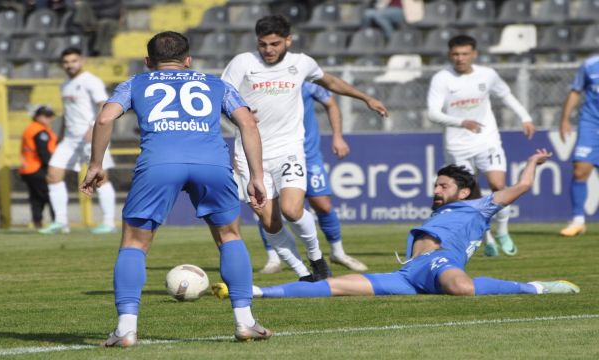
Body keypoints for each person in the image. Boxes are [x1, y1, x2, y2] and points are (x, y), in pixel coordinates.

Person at [79, 31, 271, 347]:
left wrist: (96, 164)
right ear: (188, 60)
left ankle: (126, 329)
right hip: (211, 163)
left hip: (159, 164)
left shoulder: (134, 83)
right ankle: (245, 321)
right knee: (230, 237)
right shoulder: (216, 84)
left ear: (147, 61)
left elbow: (104, 120)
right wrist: (257, 176)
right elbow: (248, 123)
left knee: (134, 243)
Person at [212, 149, 580, 299]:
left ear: (465, 192)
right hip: (408, 274)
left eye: (443, 186)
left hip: (439, 264)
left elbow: (524, 186)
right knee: (335, 286)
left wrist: (533, 160)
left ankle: (533, 287)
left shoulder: (481, 207)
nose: (435, 190)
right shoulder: (443, 211)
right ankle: (258, 293)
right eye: (435, 184)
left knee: (463, 289)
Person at [221, 15, 387, 282]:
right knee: (269, 222)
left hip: (289, 149)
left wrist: (365, 97)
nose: (269, 50)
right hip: (251, 154)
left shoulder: (302, 63)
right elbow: (222, 95)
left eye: (275, 43)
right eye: (263, 44)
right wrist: (237, 113)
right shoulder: (243, 63)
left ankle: (317, 258)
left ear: (288, 40)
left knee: (292, 210)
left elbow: (330, 82)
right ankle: (303, 273)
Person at [427, 35, 536, 257]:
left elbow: (506, 96)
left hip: (487, 139)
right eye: (456, 54)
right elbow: (433, 113)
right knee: (472, 197)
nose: (460, 58)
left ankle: (503, 231)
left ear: (474, 54)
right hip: (457, 146)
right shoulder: (442, 79)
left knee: (498, 185)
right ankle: (486, 237)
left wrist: (525, 117)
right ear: (450, 55)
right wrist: (461, 122)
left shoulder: (487, 75)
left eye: (465, 54)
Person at [258, 82, 368, 274]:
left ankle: (338, 253)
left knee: (322, 203)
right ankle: (273, 259)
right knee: (269, 206)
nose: (269, 50)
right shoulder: (262, 84)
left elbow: (331, 103)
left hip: (308, 154)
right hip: (274, 153)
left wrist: (337, 136)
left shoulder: (305, 82)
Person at [40, 47, 117, 235]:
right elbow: (68, 114)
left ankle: (108, 222)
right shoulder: (64, 85)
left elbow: (104, 106)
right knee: (53, 175)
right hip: (70, 139)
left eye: (73, 61)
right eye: (66, 62)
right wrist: (60, 134)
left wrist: (93, 128)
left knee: (100, 179)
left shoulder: (91, 81)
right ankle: (61, 223)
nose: (70, 65)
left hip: (92, 137)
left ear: (82, 61)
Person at [558, 54, 599, 237]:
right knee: (580, 169)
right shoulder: (590, 65)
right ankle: (578, 221)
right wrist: (565, 119)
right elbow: (576, 91)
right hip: (591, 123)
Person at [19, 106, 57, 229]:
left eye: (50, 115)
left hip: (28, 168)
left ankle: (37, 222)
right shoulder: (40, 131)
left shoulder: (32, 128)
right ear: (37, 116)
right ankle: (57, 221)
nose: (49, 118)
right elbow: (43, 152)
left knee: (36, 198)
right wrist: (51, 168)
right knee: (51, 195)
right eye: (45, 115)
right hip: (38, 167)